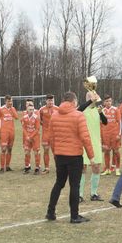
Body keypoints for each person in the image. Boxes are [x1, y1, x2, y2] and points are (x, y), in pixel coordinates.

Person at [45, 92, 95, 224]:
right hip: (74, 156)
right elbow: (85, 138)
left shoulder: (54, 115)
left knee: (59, 183)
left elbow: (51, 138)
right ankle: (74, 216)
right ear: (73, 102)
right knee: (74, 185)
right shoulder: (79, 115)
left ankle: (50, 212)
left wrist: (55, 153)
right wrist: (91, 156)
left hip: (60, 155)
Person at [78, 91, 107, 201]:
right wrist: (91, 100)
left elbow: (105, 122)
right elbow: (78, 110)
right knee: (82, 168)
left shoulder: (98, 109)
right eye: (93, 97)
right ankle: (80, 195)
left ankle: (93, 194)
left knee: (96, 167)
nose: (96, 98)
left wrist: (100, 113)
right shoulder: (82, 109)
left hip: (96, 143)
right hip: (84, 143)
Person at [0, 95, 19, 172]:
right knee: (3, 149)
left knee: (10, 149)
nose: (10, 103)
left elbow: (16, 117)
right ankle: (2, 167)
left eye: (11, 101)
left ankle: (8, 166)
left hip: (12, 132)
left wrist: (12, 109)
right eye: (9, 101)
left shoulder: (13, 109)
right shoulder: (1, 109)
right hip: (4, 132)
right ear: (5, 101)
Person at [100, 95, 122, 176]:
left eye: (109, 101)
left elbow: (120, 122)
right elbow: (100, 124)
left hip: (114, 134)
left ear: (111, 101)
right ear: (104, 102)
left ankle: (117, 168)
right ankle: (107, 169)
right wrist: (101, 136)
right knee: (106, 151)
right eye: (106, 101)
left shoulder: (116, 109)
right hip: (105, 134)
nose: (108, 102)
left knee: (116, 151)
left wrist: (119, 134)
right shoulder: (102, 111)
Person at [38, 95, 59, 174]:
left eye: (52, 100)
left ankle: (58, 167)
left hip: (55, 134)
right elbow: (39, 120)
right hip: (46, 133)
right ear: (46, 101)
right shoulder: (42, 109)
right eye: (49, 100)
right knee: (46, 150)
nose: (51, 102)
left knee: (56, 152)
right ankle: (47, 168)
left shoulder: (58, 109)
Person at [21, 104, 41, 174]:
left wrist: (31, 136)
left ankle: (37, 168)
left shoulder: (36, 118)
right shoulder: (24, 117)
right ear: (27, 110)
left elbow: (37, 129)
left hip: (35, 137)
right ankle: (27, 167)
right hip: (28, 137)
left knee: (36, 152)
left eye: (32, 109)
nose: (31, 111)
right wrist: (27, 136)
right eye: (30, 109)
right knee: (27, 152)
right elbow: (24, 128)